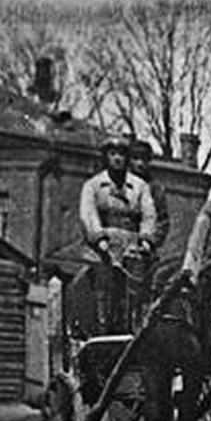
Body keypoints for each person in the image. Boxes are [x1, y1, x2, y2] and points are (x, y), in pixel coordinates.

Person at [79, 135, 158, 334]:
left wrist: (146, 238)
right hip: (103, 245)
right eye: (112, 154)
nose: (117, 159)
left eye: (121, 154)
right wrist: (99, 238)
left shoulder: (140, 186)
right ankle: (102, 327)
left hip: (131, 243)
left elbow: (149, 214)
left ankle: (135, 328)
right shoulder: (94, 185)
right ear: (106, 157)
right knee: (104, 282)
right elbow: (88, 213)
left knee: (138, 284)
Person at [127, 139, 170, 255]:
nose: (140, 164)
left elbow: (163, 221)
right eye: (135, 159)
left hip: (143, 248)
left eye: (144, 160)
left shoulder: (155, 189)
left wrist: (150, 242)